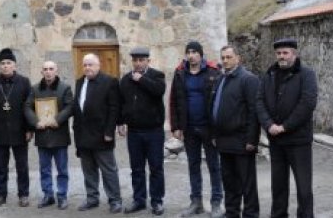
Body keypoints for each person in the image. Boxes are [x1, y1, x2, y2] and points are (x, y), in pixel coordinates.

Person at [256, 38, 318, 218]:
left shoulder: (306, 74)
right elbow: (259, 101)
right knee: (278, 186)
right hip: (277, 141)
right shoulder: (269, 75)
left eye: (285, 53)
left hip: (299, 141)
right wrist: (268, 125)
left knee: (304, 188)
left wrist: (285, 126)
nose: (281, 57)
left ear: (294, 54)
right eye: (278, 53)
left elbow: (307, 103)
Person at [169, 40, 224, 218]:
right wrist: (176, 127)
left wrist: (218, 128)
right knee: (193, 166)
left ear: (200, 54)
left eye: (194, 52)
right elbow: (174, 100)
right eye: (188, 52)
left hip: (209, 128)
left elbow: (219, 101)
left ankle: (216, 202)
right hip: (190, 128)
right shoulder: (180, 73)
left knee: (214, 165)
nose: (191, 55)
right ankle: (196, 202)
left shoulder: (213, 72)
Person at [211, 46, 260, 218]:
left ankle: (251, 214)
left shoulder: (248, 79)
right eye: (223, 57)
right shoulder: (221, 78)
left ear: (238, 58)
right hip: (224, 140)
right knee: (229, 181)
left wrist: (252, 139)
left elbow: (255, 111)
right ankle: (232, 212)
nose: (225, 60)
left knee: (247, 183)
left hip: (242, 141)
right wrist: (215, 135)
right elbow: (216, 107)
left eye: (229, 57)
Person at [118, 47, 167, 216]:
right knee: (137, 169)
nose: (138, 63)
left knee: (156, 168)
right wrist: (120, 122)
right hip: (134, 132)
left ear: (148, 61)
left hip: (154, 131)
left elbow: (159, 91)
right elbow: (121, 103)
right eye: (135, 60)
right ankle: (139, 200)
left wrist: (142, 79)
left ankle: (157, 201)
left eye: (141, 60)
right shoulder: (125, 80)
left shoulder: (157, 76)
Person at [73, 53, 123, 214]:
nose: (87, 67)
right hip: (83, 135)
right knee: (88, 170)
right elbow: (78, 107)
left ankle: (115, 200)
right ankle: (92, 198)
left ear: (98, 65)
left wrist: (109, 131)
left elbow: (114, 108)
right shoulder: (79, 82)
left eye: (90, 64)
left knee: (108, 169)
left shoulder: (109, 82)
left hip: (102, 135)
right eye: (85, 65)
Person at [0, 48, 33, 207]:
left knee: (22, 166)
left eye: (8, 63)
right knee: (0, 166)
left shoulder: (24, 82)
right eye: (2, 63)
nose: (5, 66)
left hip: (19, 131)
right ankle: (1, 194)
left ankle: (23, 194)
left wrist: (29, 129)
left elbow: (29, 107)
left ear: (15, 65)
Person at [25, 60, 74, 210]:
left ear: (56, 71)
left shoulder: (65, 88)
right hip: (42, 135)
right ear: (41, 72)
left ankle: (62, 196)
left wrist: (56, 119)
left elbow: (70, 107)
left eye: (51, 69)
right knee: (44, 169)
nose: (48, 71)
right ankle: (48, 195)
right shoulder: (34, 89)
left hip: (59, 135)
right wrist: (35, 122)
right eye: (45, 69)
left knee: (62, 170)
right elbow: (27, 106)